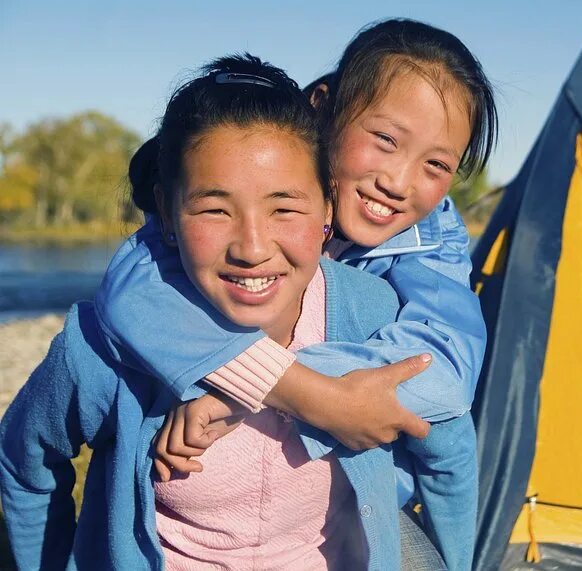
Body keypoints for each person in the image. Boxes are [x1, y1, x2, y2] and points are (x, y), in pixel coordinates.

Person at [0, 55, 450, 570]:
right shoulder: (101, 350)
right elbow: (25, 459)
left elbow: (446, 444)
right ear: (166, 213)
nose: (252, 247)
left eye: (284, 207)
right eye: (214, 209)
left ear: (327, 209)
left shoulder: (372, 314)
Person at [96, 19, 497, 570]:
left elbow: (446, 370)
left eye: (436, 165)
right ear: (322, 106)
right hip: (203, 506)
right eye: (385, 140)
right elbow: (134, 291)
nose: (399, 182)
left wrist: (257, 390)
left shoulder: (432, 238)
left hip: (354, 494)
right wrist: (299, 391)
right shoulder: (249, 179)